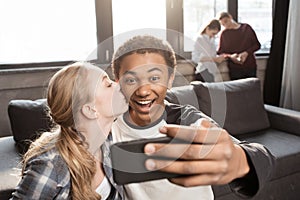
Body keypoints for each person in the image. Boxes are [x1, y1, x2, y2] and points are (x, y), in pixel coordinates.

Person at [111, 35, 274, 199]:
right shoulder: (109, 125)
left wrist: (239, 160)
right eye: (131, 80)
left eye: (154, 78)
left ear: (170, 79)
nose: (143, 91)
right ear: (118, 81)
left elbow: (263, 157)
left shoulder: (187, 119)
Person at [11, 62, 128, 199]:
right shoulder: (50, 165)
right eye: (108, 85)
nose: (118, 85)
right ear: (90, 110)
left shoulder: (110, 141)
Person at [217, 12, 261, 80]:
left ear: (230, 17)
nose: (226, 25)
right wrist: (231, 56)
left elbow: (257, 45)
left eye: (226, 21)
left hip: (250, 66)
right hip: (235, 68)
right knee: (237, 90)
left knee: (252, 89)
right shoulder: (224, 34)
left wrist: (246, 52)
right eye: (223, 24)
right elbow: (220, 52)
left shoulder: (246, 28)